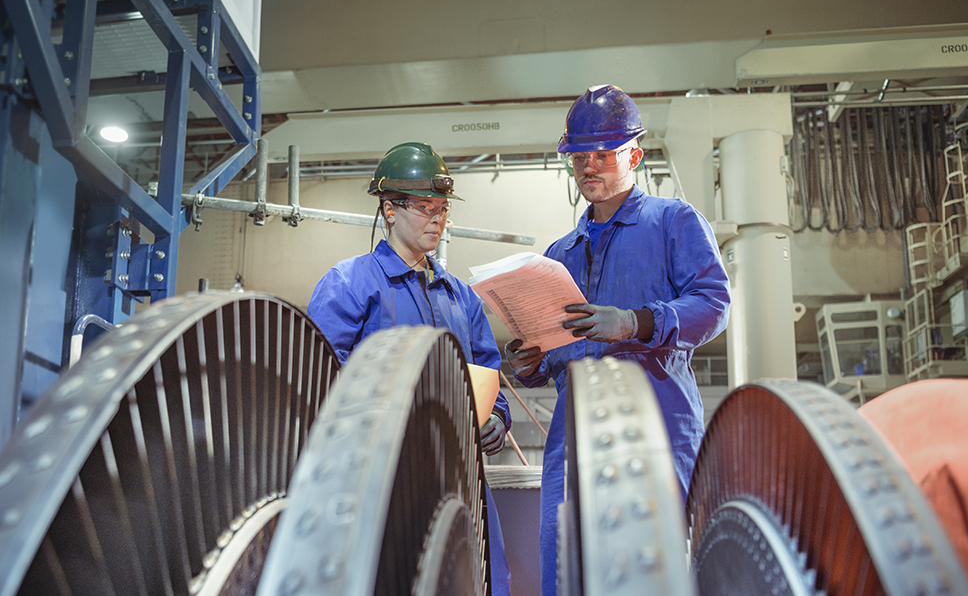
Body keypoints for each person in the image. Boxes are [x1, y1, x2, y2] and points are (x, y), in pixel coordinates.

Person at [505, 85, 731, 596]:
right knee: (569, 570)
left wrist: (635, 323)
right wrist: (531, 363)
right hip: (573, 438)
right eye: (579, 157)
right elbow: (554, 351)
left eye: (602, 155)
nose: (589, 167)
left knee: (664, 569)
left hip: (658, 429)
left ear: (634, 154)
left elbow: (714, 304)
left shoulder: (674, 222)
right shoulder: (559, 254)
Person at [307, 142, 513, 595]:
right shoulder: (350, 284)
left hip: (461, 474)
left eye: (442, 209)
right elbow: (317, 378)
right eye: (424, 207)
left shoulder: (461, 296)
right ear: (389, 210)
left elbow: (486, 371)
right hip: (378, 480)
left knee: (482, 578)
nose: (437, 218)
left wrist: (496, 416)